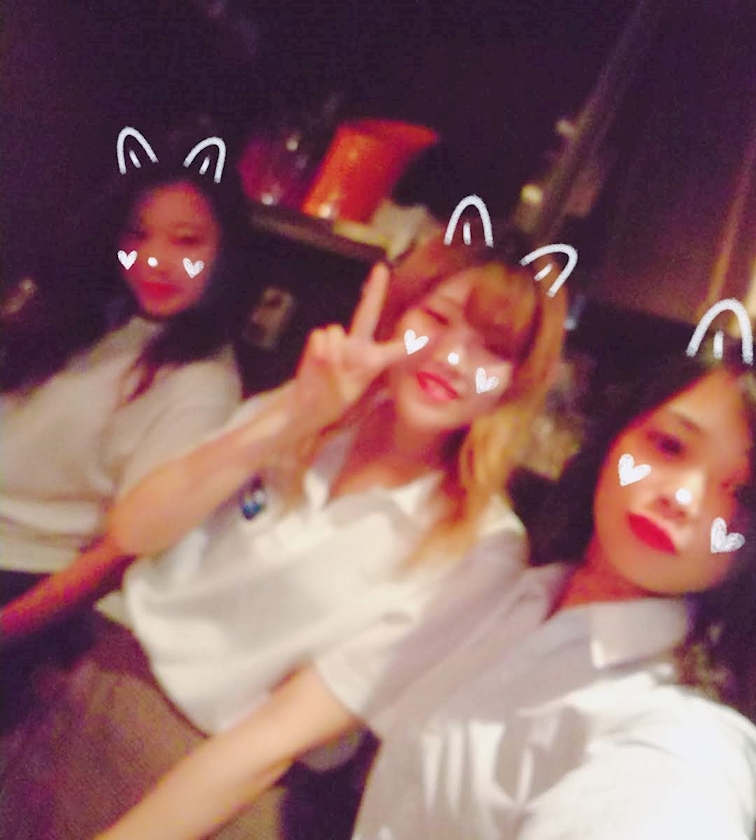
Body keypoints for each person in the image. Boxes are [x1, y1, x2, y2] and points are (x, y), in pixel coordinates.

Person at [0, 230, 567, 839]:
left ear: (516, 381)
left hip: (209, 776)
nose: (452, 359)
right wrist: (294, 416)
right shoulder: (313, 413)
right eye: (436, 319)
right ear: (398, 312)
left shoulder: (482, 548)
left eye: (492, 349)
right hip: (97, 684)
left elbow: (275, 737)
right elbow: (136, 529)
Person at [343, 346, 756, 840]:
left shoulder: (680, 749)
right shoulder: (517, 587)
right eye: (669, 446)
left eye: (742, 495)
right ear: (614, 439)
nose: (681, 497)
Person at [0, 121, 246, 601]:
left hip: (25, 571)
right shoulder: (92, 317)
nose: (153, 259)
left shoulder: (201, 382)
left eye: (186, 240)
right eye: (137, 234)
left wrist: (9, 628)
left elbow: (119, 555)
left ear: (225, 253)